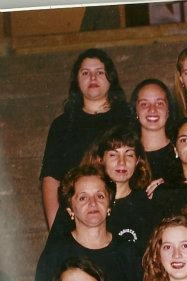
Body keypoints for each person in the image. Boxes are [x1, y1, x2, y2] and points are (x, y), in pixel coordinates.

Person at [33, 165, 142, 281]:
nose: (93, 203)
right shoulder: (55, 255)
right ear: (70, 209)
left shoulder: (128, 253)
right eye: (83, 197)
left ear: (109, 204)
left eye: (99, 196)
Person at [40, 48, 131, 230]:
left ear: (110, 78)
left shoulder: (127, 118)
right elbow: (51, 178)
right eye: (85, 73)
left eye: (99, 72)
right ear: (77, 80)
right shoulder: (62, 125)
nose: (93, 78)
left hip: (122, 210)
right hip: (77, 214)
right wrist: (54, 227)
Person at [48, 125, 156, 254]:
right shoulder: (77, 203)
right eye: (113, 155)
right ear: (100, 159)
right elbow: (54, 252)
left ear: (138, 161)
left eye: (129, 155)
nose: (122, 162)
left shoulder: (146, 205)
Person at [131, 79, 181, 183]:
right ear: (135, 110)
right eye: (144, 104)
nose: (152, 110)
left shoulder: (182, 150)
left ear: (168, 111)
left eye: (159, 103)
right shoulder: (127, 155)